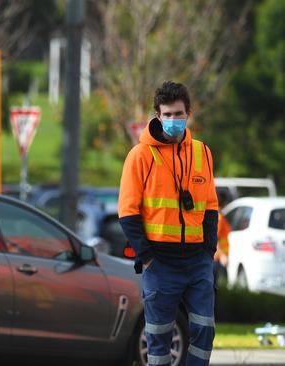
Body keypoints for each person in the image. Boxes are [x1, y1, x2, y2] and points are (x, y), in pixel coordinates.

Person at [118, 81, 218, 366]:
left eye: (179, 114)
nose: (174, 120)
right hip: (160, 263)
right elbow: (127, 212)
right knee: (159, 337)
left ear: (189, 113)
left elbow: (211, 207)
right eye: (168, 114)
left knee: (204, 330)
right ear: (158, 116)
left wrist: (207, 252)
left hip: (197, 261)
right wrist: (147, 257)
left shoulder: (202, 153)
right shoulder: (139, 156)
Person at [214, 193, 231, 285]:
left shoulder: (219, 217)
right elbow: (215, 240)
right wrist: (222, 256)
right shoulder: (219, 218)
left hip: (218, 259)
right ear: (224, 204)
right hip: (218, 259)